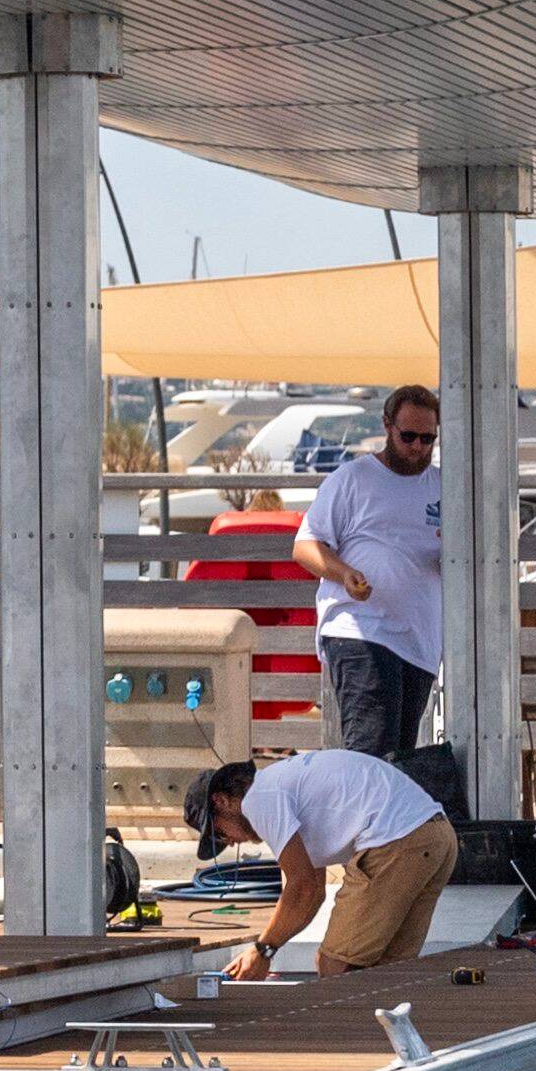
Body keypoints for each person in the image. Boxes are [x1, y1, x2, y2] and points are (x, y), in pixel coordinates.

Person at [187, 751, 460, 980]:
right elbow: (312, 893)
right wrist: (268, 948)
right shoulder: (286, 783)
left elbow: (302, 888)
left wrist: (262, 951)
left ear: (221, 801)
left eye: (219, 833)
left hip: (398, 840)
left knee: (335, 966)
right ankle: (385, 1042)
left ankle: (347, 1043)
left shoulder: (259, 798)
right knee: (390, 973)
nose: (232, 844)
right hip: (438, 836)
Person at [291, 385, 443, 762]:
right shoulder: (353, 479)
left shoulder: (443, 484)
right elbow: (305, 545)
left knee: (399, 761)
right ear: (387, 426)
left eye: (428, 439)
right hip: (361, 629)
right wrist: (344, 573)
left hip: (418, 641)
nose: (418, 447)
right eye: (408, 436)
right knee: (370, 755)